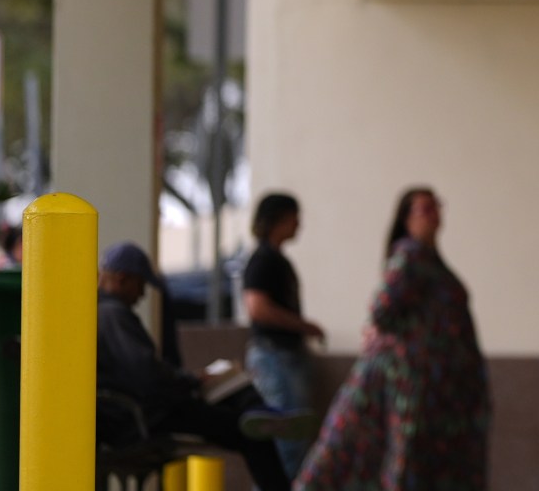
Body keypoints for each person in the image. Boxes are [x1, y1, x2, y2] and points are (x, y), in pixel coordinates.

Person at [297, 186, 492, 491]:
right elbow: (381, 309)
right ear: (406, 218)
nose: (434, 214)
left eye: (437, 206)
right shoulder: (411, 255)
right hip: (414, 384)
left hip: (439, 388)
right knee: (406, 458)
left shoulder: (429, 260)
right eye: (424, 209)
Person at [94, 241, 310, 491]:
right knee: (250, 433)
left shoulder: (99, 313)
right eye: (141, 284)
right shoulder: (114, 315)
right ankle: (262, 416)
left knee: (235, 400)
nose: (141, 295)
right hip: (153, 414)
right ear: (122, 279)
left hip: (142, 411)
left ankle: (259, 411)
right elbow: (146, 374)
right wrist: (190, 381)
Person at [245, 191, 328, 476]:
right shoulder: (263, 261)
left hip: (284, 357)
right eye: (295, 218)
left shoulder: (276, 260)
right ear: (279, 220)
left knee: (293, 442)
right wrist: (303, 326)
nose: (299, 225)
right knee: (286, 442)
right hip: (276, 358)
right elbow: (257, 308)